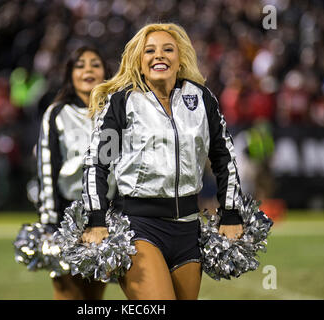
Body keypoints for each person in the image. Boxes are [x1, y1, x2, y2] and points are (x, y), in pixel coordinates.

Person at [81, 23, 244, 300]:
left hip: (188, 228)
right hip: (138, 225)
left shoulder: (202, 99)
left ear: (180, 59)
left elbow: (223, 157)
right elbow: (97, 163)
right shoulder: (122, 102)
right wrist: (96, 220)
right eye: (150, 51)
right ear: (139, 62)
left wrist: (230, 212)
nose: (160, 56)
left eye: (169, 49)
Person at [36, 46, 115, 300]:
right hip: (67, 213)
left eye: (95, 64)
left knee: (93, 296)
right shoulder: (57, 113)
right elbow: (47, 168)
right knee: (67, 292)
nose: (88, 70)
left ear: (106, 72)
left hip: (107, 214)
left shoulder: (116, 111)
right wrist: (50, 220)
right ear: (70, 73)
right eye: (80, 65)